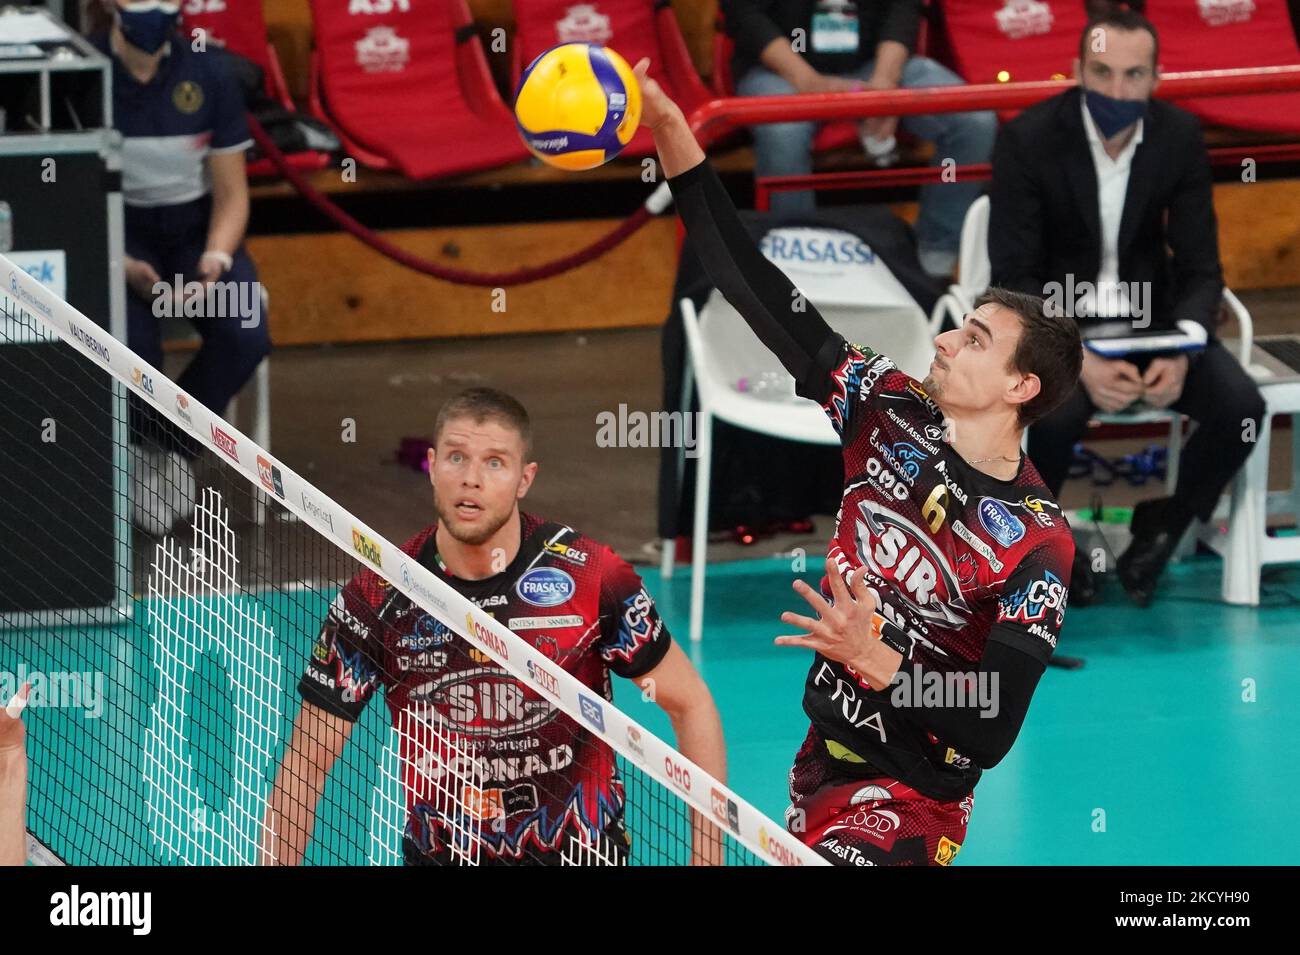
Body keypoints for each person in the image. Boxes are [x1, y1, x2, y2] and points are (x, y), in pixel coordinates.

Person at [637, 58, 1083, 866]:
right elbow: (756, 287)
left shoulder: (1037, 543)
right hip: (819, 767)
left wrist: (885, 662)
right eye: (959, 326)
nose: (944, 338)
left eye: (974, 339)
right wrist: (677, 144)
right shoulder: (882, 406)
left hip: (913, 801)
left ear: (1022, 385)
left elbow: (993, 721)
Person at [263, 388, 726, 865]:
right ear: (431, 465)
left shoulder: (591, 577)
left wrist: (708, 861)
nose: (472, 480)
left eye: (495, 463)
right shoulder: (377, 598)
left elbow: (689, 704)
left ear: (525, 479)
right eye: (457, 458)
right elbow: (307, 763)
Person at [988, 0, 1266, 607]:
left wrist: (1187, 348)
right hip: (1060, 322)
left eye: (1133, 75)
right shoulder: (1028, 139)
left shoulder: (1178, 136)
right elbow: (1013, 273)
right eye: (1103, 73)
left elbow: (1201, 267)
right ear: (1078, 70)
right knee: (1051, 413)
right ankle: (1046, 545)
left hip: (1154, 323)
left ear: (1155, 79)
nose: (1117, 88)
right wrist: (1074, 356)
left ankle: (1167, 521)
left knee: (1241, 407)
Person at [87, 1, 271, 533]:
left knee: (245, 332)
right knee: (134, 351)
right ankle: (140, 448)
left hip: (195, 241)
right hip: (117, 241)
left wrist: (214, 260)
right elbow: (69, 192)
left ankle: (167, 446)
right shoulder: (85, 69)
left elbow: (233, 195)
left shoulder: (210, 71)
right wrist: (118, 261)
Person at [722, 0, 995, 278]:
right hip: (779, 71)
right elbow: (744, 14)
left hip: (874, 65)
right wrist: (807, 81)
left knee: (974, 121)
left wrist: (884, 85)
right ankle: (797, 265)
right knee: (783, 133)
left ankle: (935, 261)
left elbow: (903, 9)